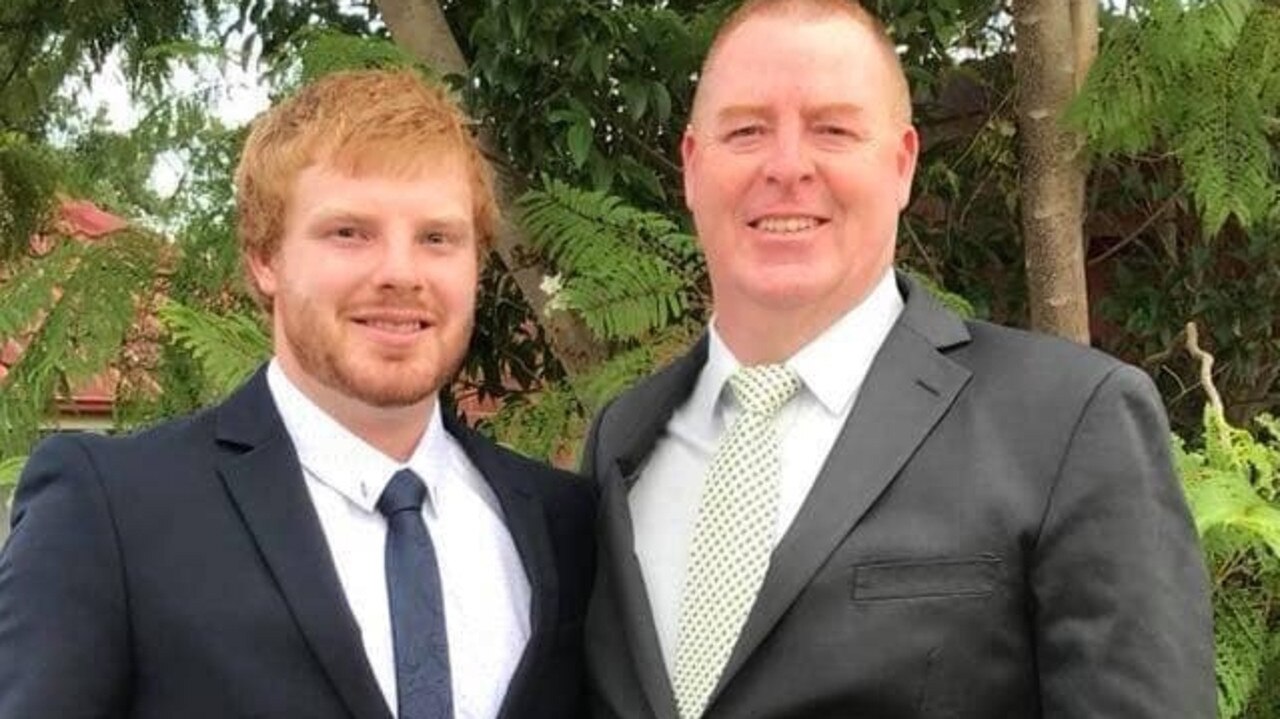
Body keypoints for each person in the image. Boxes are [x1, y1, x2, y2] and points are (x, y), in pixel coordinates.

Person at [581, 1, 1214, 717]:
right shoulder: (622, 440)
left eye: (833, 129)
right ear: (694, 168)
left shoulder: (1068, 423)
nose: (787, 166)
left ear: (903, 163)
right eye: (748, 130)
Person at [0, 69, 595, 719]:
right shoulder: (110, 510)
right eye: (349, 232)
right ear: (265, 257)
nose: (401, 272)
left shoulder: (563, 522)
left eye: (437, 238)